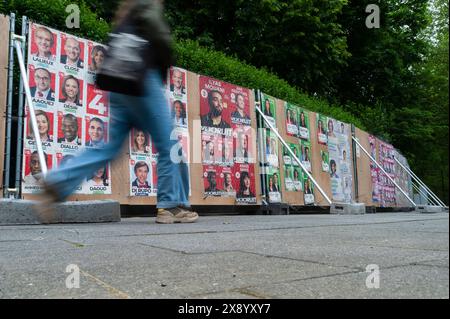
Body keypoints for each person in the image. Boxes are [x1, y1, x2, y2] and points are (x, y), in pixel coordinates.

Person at [36, 0, 198, 224]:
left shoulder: (125, 11)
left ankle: (58, 181)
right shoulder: (147, 3)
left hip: (119, 83)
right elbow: (159, 35)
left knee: (110, 147)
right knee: (169, 144)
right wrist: (164, 63)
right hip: (143, 80)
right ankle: (170, 205)